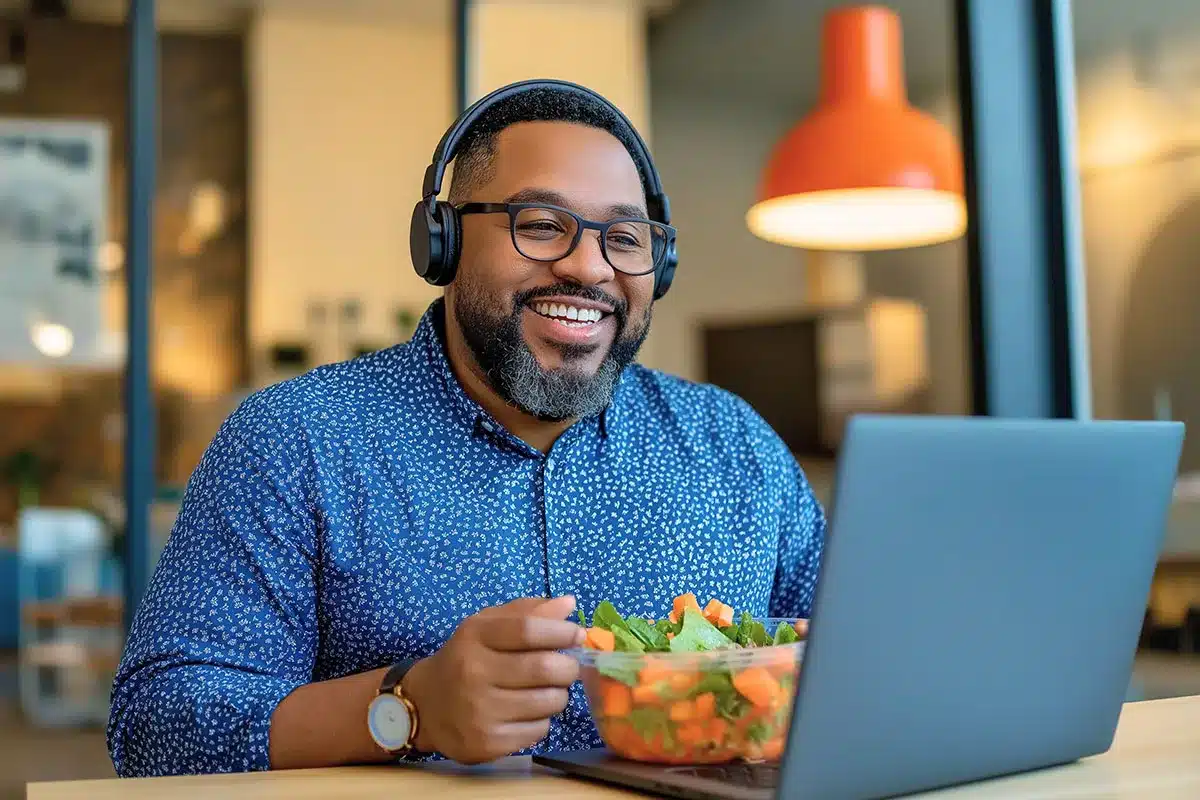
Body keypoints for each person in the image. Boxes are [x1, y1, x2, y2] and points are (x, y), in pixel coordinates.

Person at [106, 81, 826, 778]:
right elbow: (153, 729)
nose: (588, 266)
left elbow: (861, 672)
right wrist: (406, 708)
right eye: (541, 226)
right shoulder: (296, 440)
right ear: (442, 244)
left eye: (625, 237)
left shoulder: (736, 447)